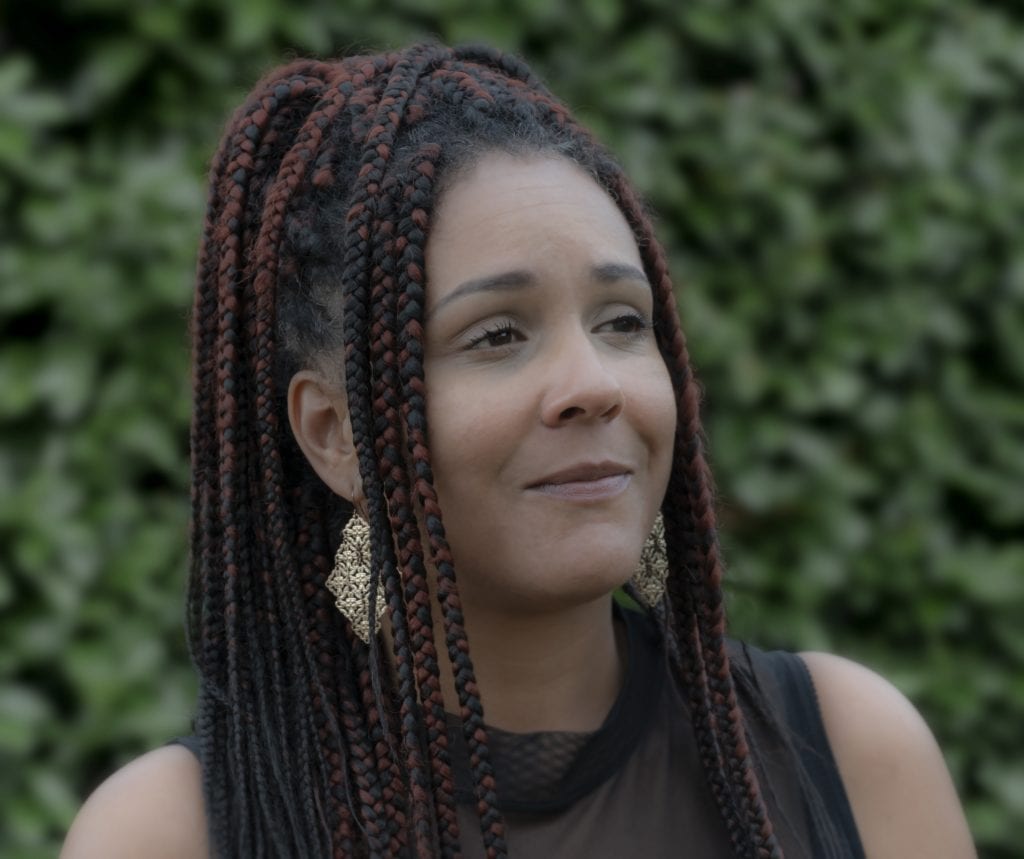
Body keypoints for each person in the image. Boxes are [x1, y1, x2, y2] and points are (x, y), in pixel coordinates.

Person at [61, 42, 976, 859]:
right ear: (333, 434)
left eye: (623, 321)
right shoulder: (176, 832)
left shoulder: (846, 754)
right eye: (497, 335)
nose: (595, 382)